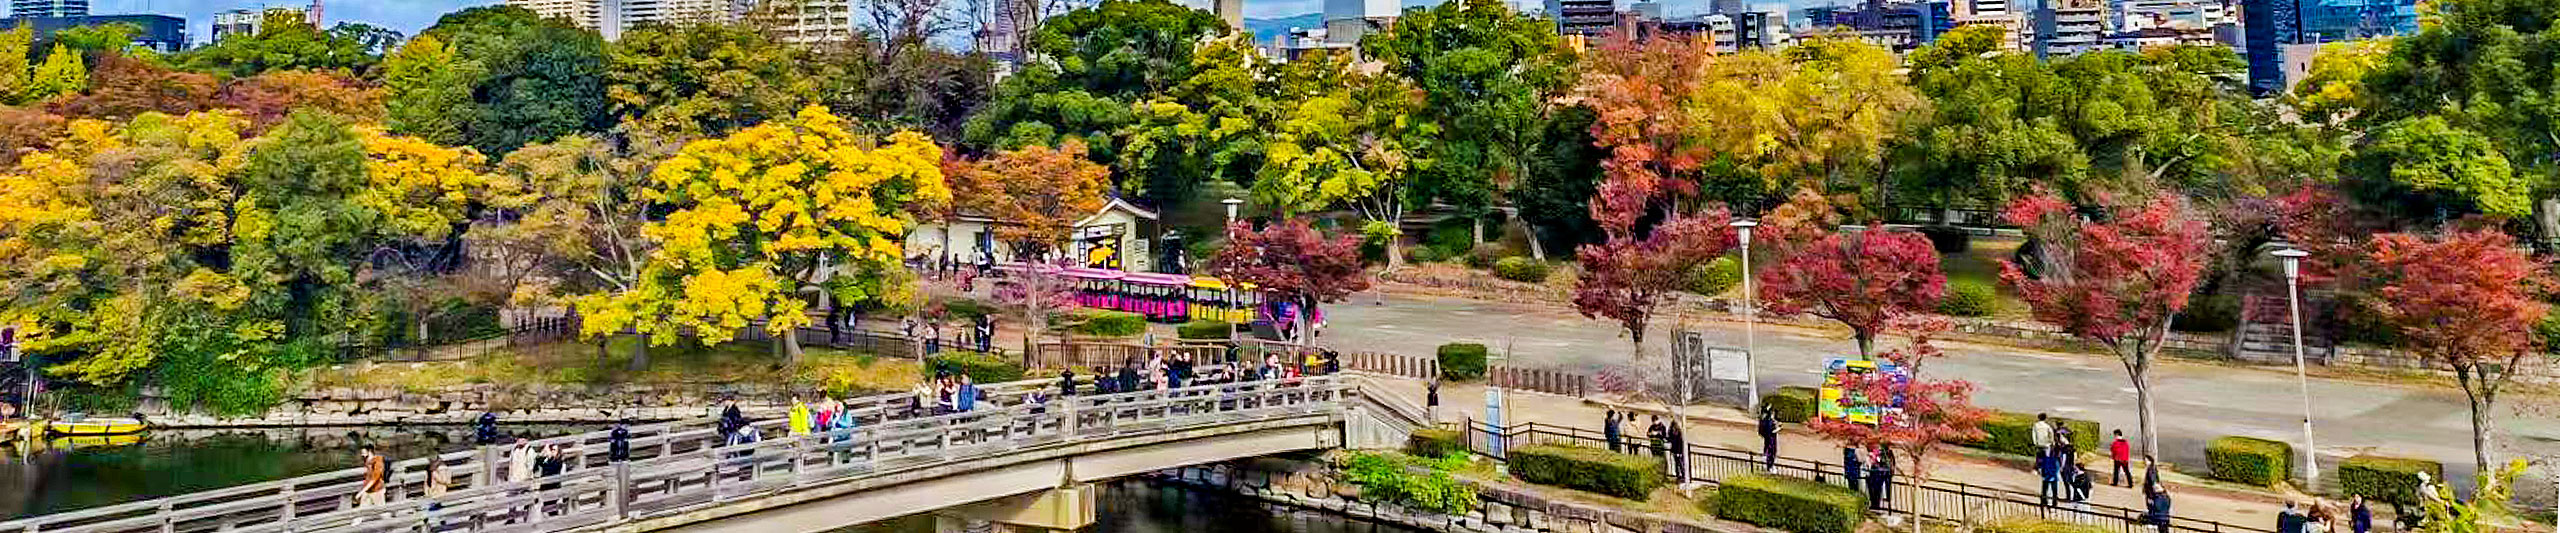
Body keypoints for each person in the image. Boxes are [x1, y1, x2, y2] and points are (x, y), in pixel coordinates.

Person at [1758, 408, 1781, 473]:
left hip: (1770, 438)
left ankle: (1769, 465)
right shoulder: (1768, 421)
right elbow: (1771, 431)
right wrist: (1778, 429)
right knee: (1771, 452)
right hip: (1771, 439)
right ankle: (1769, 467)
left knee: (1770, 451)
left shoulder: (1767, 420)